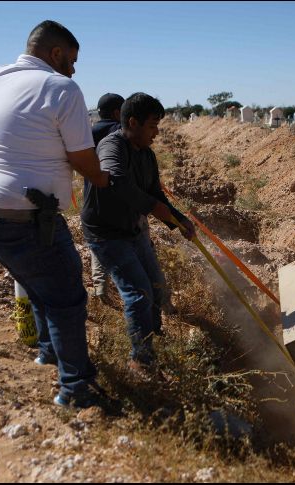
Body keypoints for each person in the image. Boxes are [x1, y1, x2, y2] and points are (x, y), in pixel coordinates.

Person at [0, 20, 109, 408]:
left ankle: (47, 352)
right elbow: (83, 159)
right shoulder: (61, 88)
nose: (73, 70)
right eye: (71, 61)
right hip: (25, 217)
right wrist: (103, 178)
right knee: (66, 299)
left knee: (38, 283)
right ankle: (76, 390)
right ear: (55, 53)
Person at [81, 92, 195, 374]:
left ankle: (154, 339)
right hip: (107, 234)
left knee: (156, 286)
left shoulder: (147, 154)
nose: (156, 133)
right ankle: (140, 362)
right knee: (138, 293)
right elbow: (116, 179)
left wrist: (179, 220)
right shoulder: (112, 146)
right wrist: (154, 207)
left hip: (133, 228)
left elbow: (156, 194)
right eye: (152, 126)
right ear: (132, 122)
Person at [87, 93, 124, 301]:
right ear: (118, 113)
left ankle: (100, 288)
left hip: (92, 198)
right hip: (117, 195)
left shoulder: (88, 132)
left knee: (98, 242)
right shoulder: (120, 131)